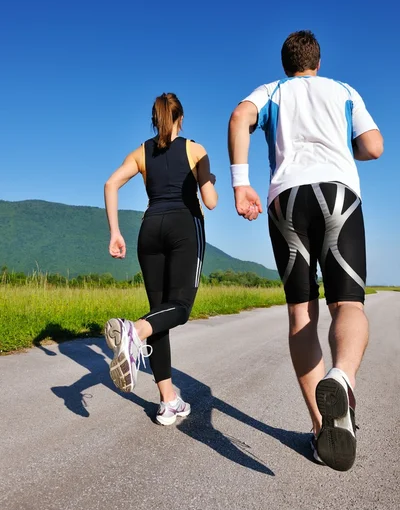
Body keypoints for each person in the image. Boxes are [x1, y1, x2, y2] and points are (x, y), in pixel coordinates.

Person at [227, 30, 383, 471]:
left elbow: (241, 116)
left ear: (286, 63)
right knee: (348, 304)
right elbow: (374, 146)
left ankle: (322, 428)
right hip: (338, 191)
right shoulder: (344, 90)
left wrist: (241, 182)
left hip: (287, 198)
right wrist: (346, 146)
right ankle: (343, 377)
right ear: (317, 60)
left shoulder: (272, 90)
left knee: (301, 315)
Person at [104, 92, 217, 425]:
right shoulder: (196, 149)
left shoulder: (141, 151)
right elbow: (209, 201)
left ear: (156, 120)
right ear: (180, 118)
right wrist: (208, 180)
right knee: (179, 308)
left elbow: (111, 184)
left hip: (149, 228)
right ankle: (133, 332)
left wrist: (115, 232)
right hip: (184, 225)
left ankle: (168, 400)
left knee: (160, 316)